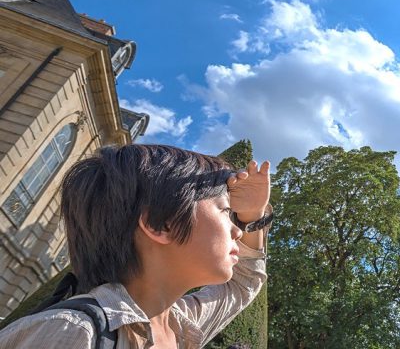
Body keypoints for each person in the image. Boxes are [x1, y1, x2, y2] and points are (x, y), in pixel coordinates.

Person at [0, 144, 272, 348]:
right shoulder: (70, 333)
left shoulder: (180, 324)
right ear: (159, 224)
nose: (238, 231)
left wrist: (254, 215)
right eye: (226, 212)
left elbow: (243, 284)